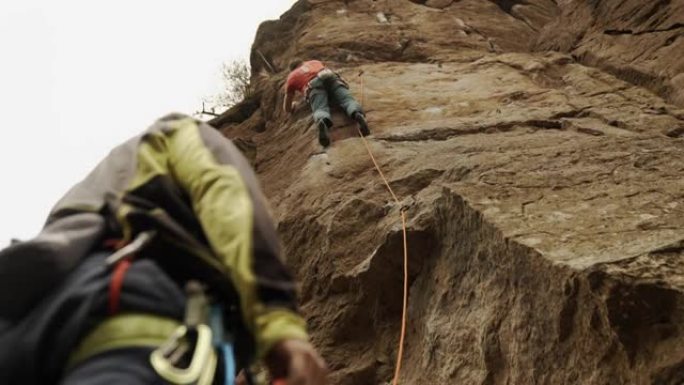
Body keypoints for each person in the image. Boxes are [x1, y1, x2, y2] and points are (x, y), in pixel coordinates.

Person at [0, 113, 327, 385]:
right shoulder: (179, 132)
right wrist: (278, 322)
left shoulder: (82, 199)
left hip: (26, 330)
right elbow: (232, 203)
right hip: (126, 314)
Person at [283, 59, 370, 147]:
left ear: (292, 69)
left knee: (320, 108)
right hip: (331, 78)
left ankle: (323, 121)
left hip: (314, 87)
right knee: (347, 100)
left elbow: (287, 107)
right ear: (302, 62)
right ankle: (356, 113)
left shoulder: (291, 77)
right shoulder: (314, 62)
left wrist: (292, 107)